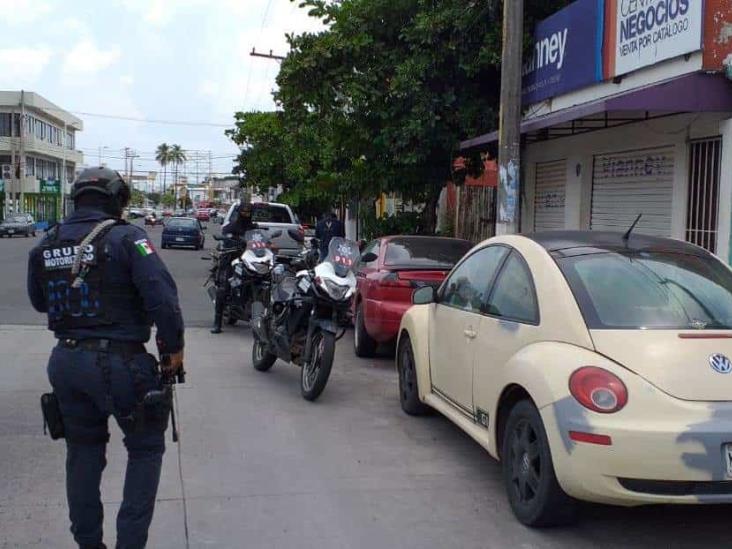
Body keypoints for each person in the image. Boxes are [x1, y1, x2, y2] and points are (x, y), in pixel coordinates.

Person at [27, 167, 185, 549]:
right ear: (116, 200)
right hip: (121, 364)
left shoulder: (46, 243)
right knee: (146, 449)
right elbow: (163, 300)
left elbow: (38, 301)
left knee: (82, 453)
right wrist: (174, 350)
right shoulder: (128, 239)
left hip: (66, 362)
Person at [211, 201, 258, 333]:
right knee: (224, 288)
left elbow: (260, 240)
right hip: (233, 259)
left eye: (248, 212)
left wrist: (269, 244)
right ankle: (217, 323)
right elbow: (225, 237)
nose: (245, 214)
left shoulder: (254, 227)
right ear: (239, 212)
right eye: (243, 211)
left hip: (250, 260)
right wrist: (231, 241)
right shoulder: (231, 226)